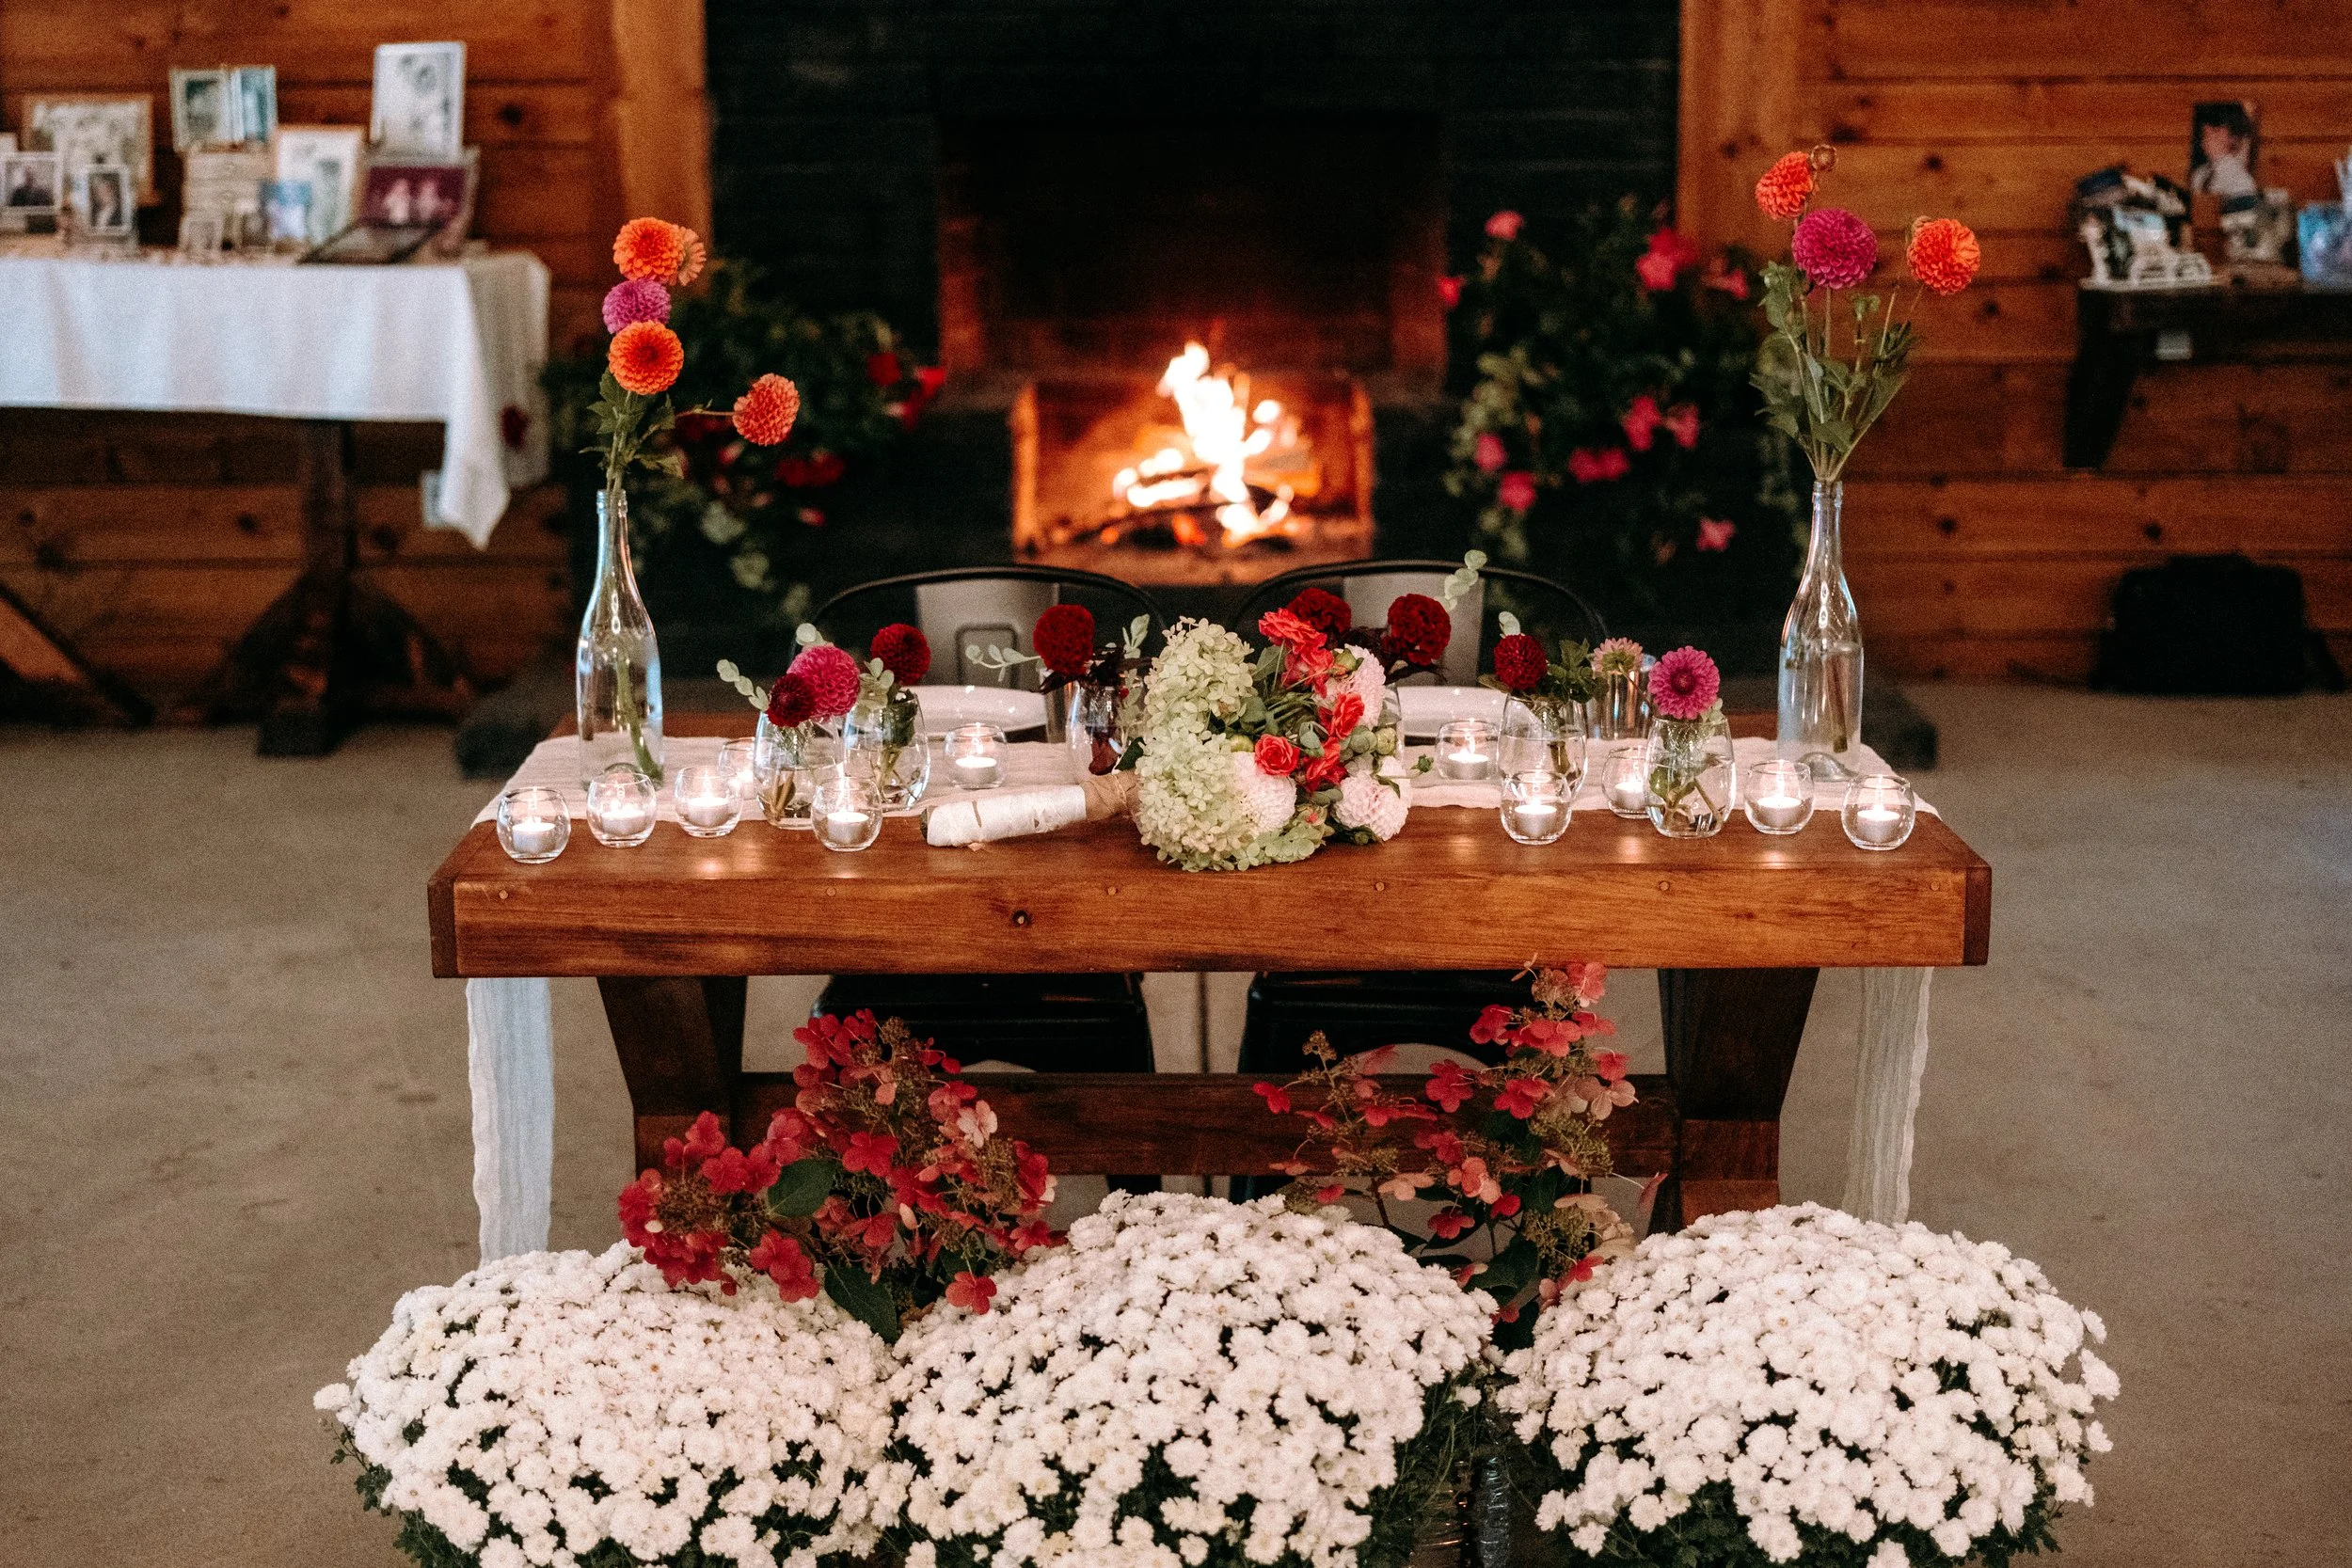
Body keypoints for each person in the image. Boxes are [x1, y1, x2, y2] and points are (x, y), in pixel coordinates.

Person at [2190, 103, 2258, 199]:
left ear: (2233, 137)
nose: (2208, 135)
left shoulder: (2241, 181)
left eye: (2216, 130)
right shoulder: (2199, 174)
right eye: (2204, 131)